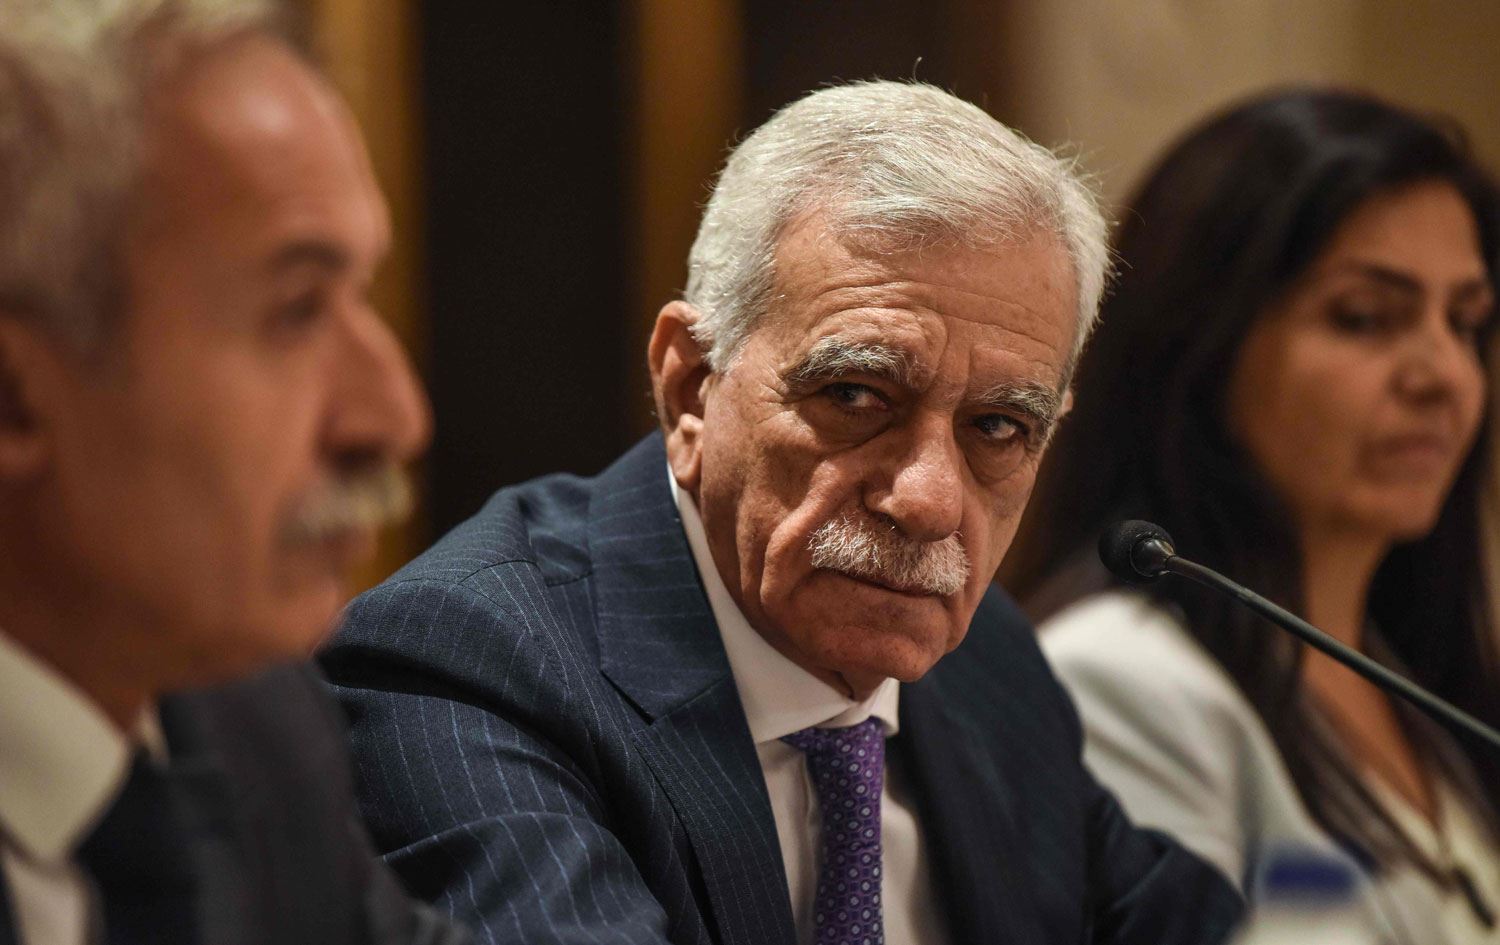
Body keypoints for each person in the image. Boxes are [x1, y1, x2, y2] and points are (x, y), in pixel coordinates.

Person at [323, 80, 1242, 944]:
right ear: (690, 386)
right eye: (856, 395)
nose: (928, 500)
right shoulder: (469, 666)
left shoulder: (986, 664)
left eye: (998, 426)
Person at [0, 1, 466, 942]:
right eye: (296, 310)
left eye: (362, 295)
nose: (393, 415)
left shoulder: (255, 721)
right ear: (12, 398)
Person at [1011, 88, 1500, 943]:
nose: (1444, 375)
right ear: (1202, 346)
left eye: (1466, 323)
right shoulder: (1121, 679)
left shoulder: (1412, 675)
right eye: (1365, 318)